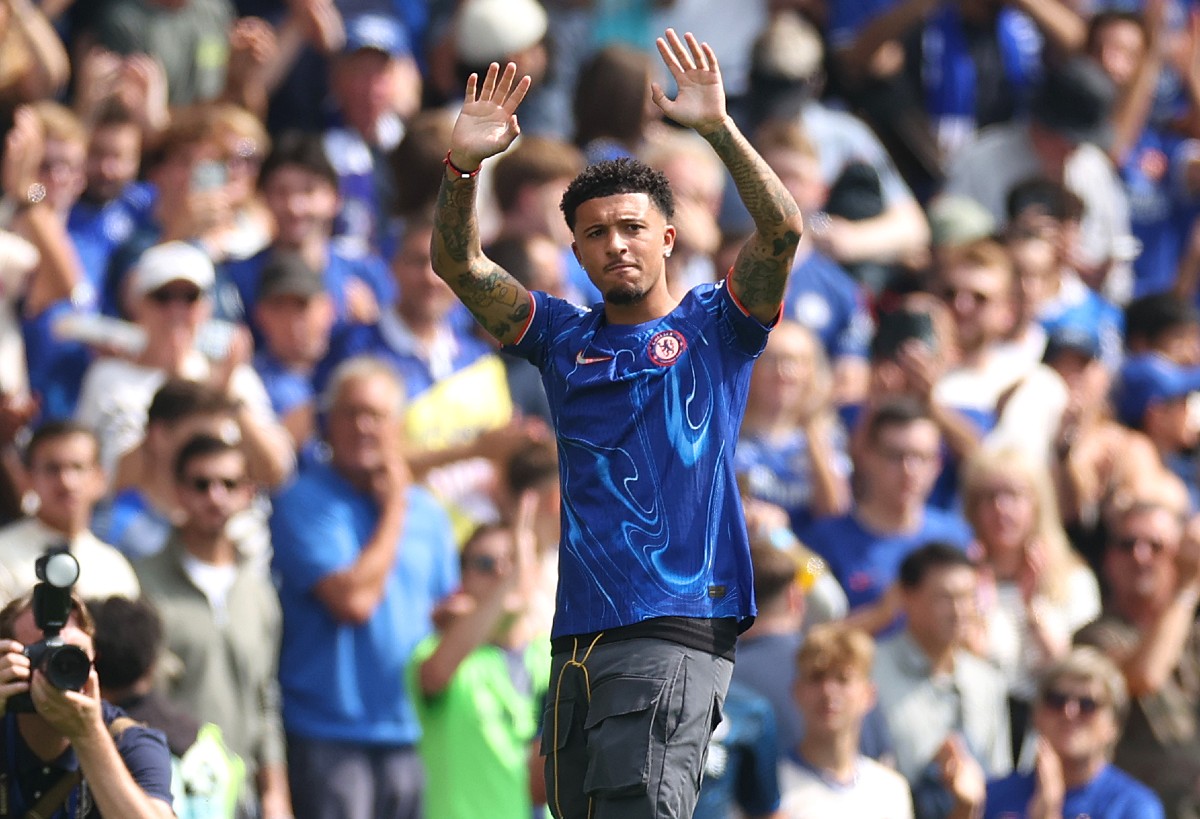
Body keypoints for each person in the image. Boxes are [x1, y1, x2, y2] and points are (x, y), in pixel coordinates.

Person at [430, 28, 803, 819]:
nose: (616, 245)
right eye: (596, 233)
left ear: (669, 236)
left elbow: (781, 231)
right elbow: (459, 267)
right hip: (578, 637)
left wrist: (717, 130)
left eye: (632, 227)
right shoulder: (562, 338)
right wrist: (462, 168)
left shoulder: (718, 324)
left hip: (675, 620)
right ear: (576, 251)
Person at [269, 356, 459, 819]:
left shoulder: (431, 516)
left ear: (398, 426)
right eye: (350, 413)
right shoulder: (303, 500)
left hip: (411, 731)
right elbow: (353, 602)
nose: (363, 427)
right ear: (327, 424)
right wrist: (395, 508)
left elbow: (442, 611)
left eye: (376, 415)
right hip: (328, 732)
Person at [135, 434, 291, 819]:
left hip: (241, 796)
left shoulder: (258, 592)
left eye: (229, 484)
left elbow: (265, 699)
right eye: (201, 484)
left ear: (248, 494)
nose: (215, 496)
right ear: (178, 492)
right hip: (163, 794)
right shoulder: (141, 583)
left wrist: (275, 795)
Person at [407, 511, 549, 819]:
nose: (501, 572)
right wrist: (512, 582)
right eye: (485, 564)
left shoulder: (555, 659)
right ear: (462, 581)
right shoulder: (436, 652)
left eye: (512, 559)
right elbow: (434, 676)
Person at [1074, 492, 1200, 816]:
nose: (1140, 556)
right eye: (1127, 544)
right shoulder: (1093, 637)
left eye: (1156, 546)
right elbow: (1143, 676)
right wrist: (1186, 588)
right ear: (1108, 560)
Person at [0, 591, 174, 817]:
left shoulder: (129, 741)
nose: (59, 666)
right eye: (40, 653)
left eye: (73, 655)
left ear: (93, 662)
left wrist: (88, 735)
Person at [872, 543, 1011, 816]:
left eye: (968, 597)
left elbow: (998, 774)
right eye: (945, 598)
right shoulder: (871, 673)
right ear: (906, 597)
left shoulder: (987, 680)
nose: (959, 611)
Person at [945, 647, 1164, 819]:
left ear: (1114, 725)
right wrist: (966, 810)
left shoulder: (1133, 807)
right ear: (1036, 715)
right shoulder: (993, 795)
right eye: (1056, 700)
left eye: (1087, 705)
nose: (1069, 712)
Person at [779, 623, 912, 818]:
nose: (828, 692)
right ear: (797, 691)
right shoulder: (771, 790)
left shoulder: (891, 789)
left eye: (843, 679)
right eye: (817, 678)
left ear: (868, 694)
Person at [0, 421, 139, 604]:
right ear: (28, 478)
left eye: (78, 467)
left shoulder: (114, 568)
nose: (66, 482)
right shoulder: (3, 554)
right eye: (52, 469)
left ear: (100, 479)